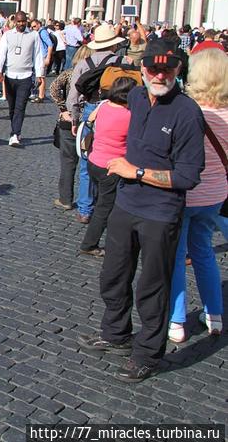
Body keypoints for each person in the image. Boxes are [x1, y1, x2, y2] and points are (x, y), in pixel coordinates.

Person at [79, 37, 205, 383]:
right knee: (114, 274)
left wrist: (135, 171)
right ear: (143, 68)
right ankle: (115, 332)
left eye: (167, 68)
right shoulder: (135, 96)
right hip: (125, 203)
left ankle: (148, 353)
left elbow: (187, 176)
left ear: (179, 70)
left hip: (161, 212)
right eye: (153, 67)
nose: (159, 74)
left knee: (152, 284)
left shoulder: (187, 113)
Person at [167, 47, 227, 342]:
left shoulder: (188, 111)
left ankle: (177, 321)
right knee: (203, 252)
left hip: (187, 194)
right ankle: (214, 315)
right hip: (216, 195)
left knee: (177, 256)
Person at [68, 23, 128, 224]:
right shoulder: (124, 61)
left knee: (86, 161)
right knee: (118, 156)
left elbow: (73, 96)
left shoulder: (85, 63)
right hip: (119, 112)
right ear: (113, 44)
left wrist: (75, 119)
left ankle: (85, 209)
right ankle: (112, 207)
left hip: (91, 109)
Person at [79, 77, 138, 258]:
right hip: (111, 167)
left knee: (102, 202)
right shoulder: (128, 115)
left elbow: (90, 120)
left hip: (94, 161)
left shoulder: (104, 106)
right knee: (105, 208)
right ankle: (90, 244)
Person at [49, 46, 95, 212]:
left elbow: (53, 88)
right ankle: (87, 200)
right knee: (88, 163)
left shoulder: (69, 73)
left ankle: (65, 199)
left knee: (68, 163)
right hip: (89, 121)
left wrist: (63, 109)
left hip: (69, 121)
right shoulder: (96, 75)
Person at [0, 11, 45, 147]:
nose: (21, 24)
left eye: (23, 21)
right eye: (19, 21)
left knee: (20, 107)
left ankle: (15, 133)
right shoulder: (7, 35)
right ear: (15, 22)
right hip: (10, 76)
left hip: (26, 76)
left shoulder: (34, 35)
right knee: (12, 107)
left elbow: (38, 56)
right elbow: (1, 54)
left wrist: (40, 74)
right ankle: (15, 128)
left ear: (26, 22)